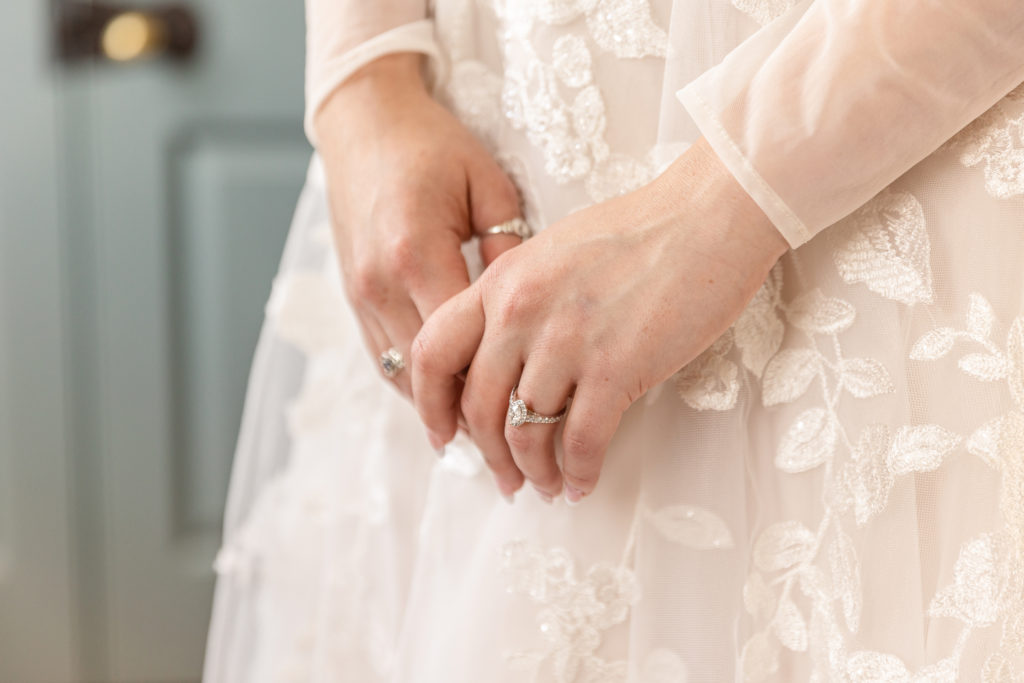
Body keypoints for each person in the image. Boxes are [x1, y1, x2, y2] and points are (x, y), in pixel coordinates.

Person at [204, 0, 1024, 681]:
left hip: (882, 157)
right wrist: (364, 83)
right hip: (468, 121)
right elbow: (363, 75)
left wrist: (717, 209)